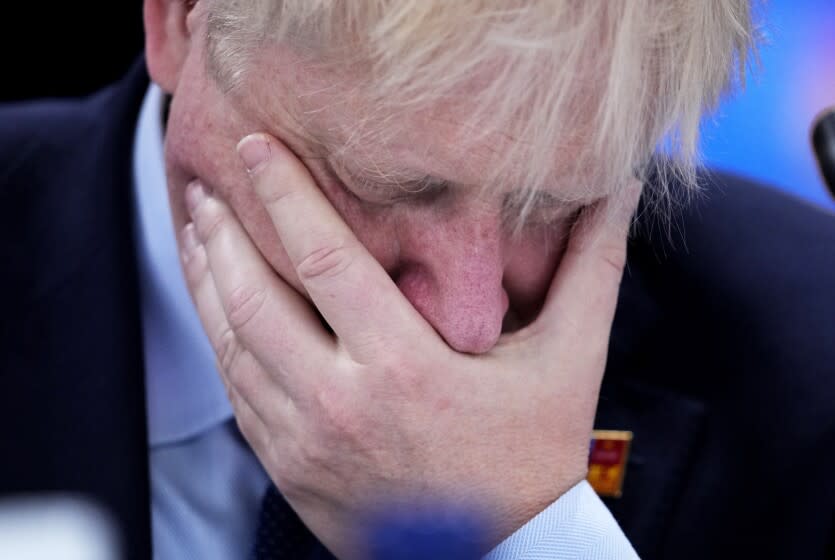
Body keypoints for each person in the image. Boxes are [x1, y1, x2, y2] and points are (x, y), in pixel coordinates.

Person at [1, 1, 834, 559]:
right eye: (380, 188)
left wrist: (532, 535)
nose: (469, 320)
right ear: (183, 23)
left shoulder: (805, 368)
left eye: (553, 205)